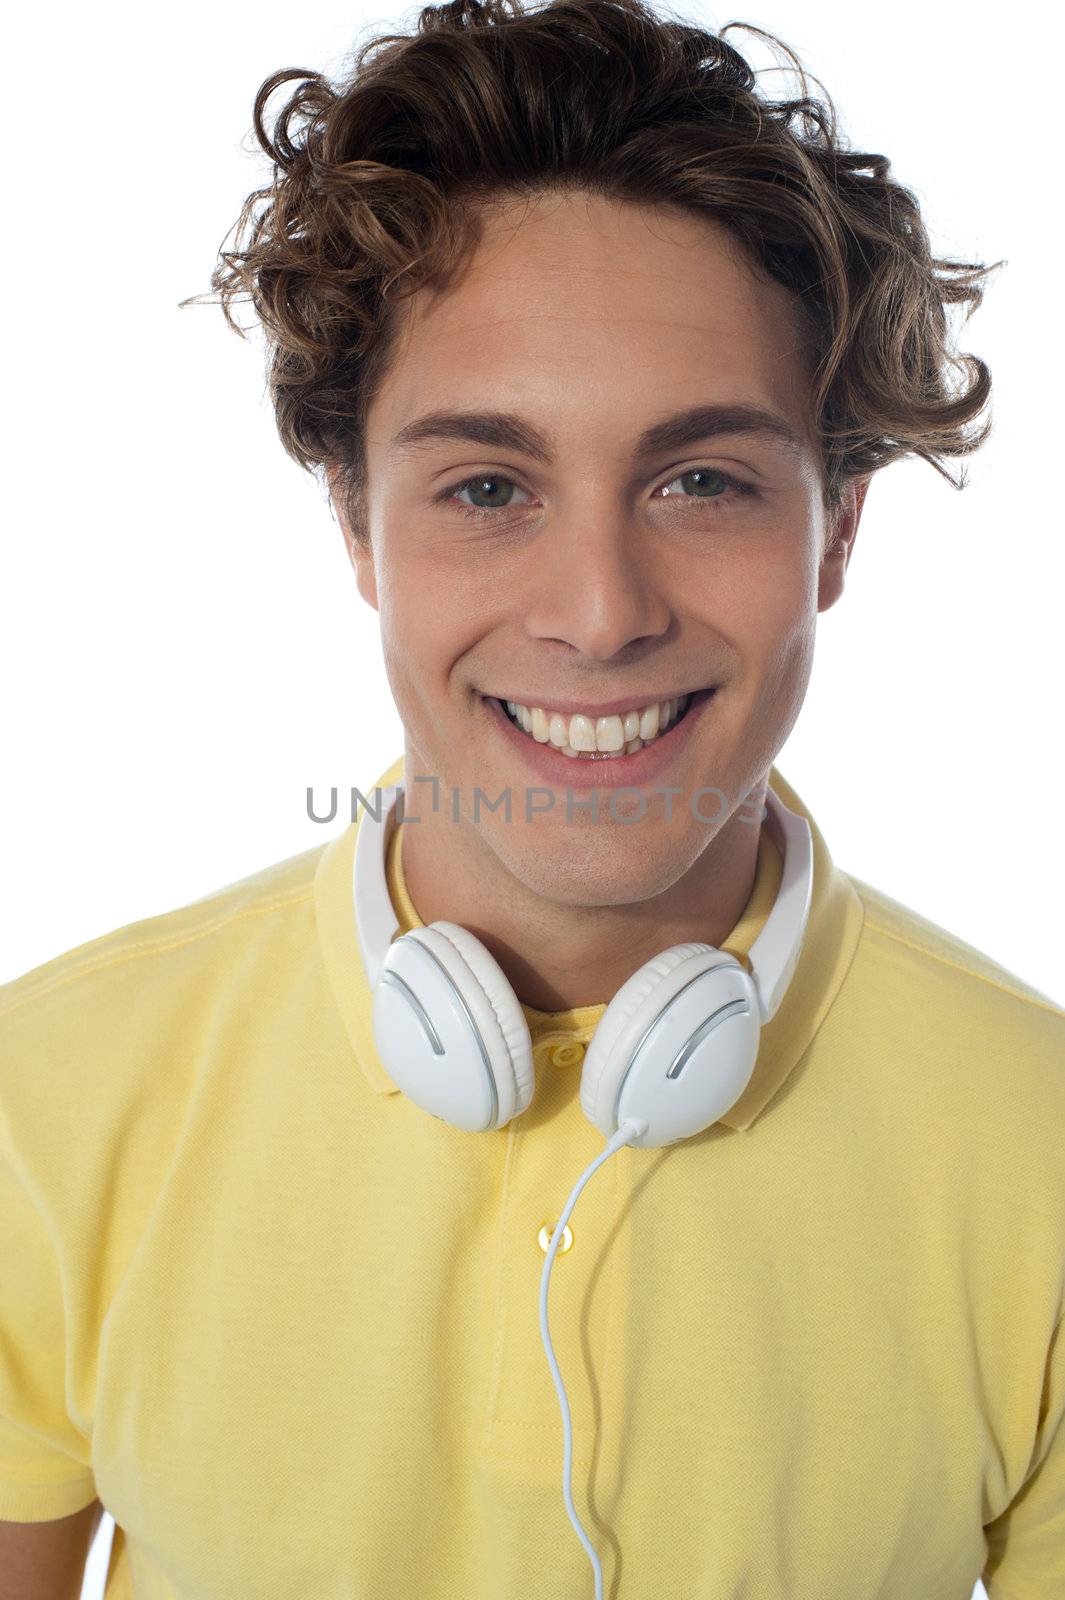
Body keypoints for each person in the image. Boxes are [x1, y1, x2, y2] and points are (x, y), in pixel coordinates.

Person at [1, 1, 1061, 1596]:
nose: (595, 610)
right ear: (357, 524)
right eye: (487, 486)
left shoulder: (1037, 1144)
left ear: (835, 529)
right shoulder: (50, 1096)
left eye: (699, 478)